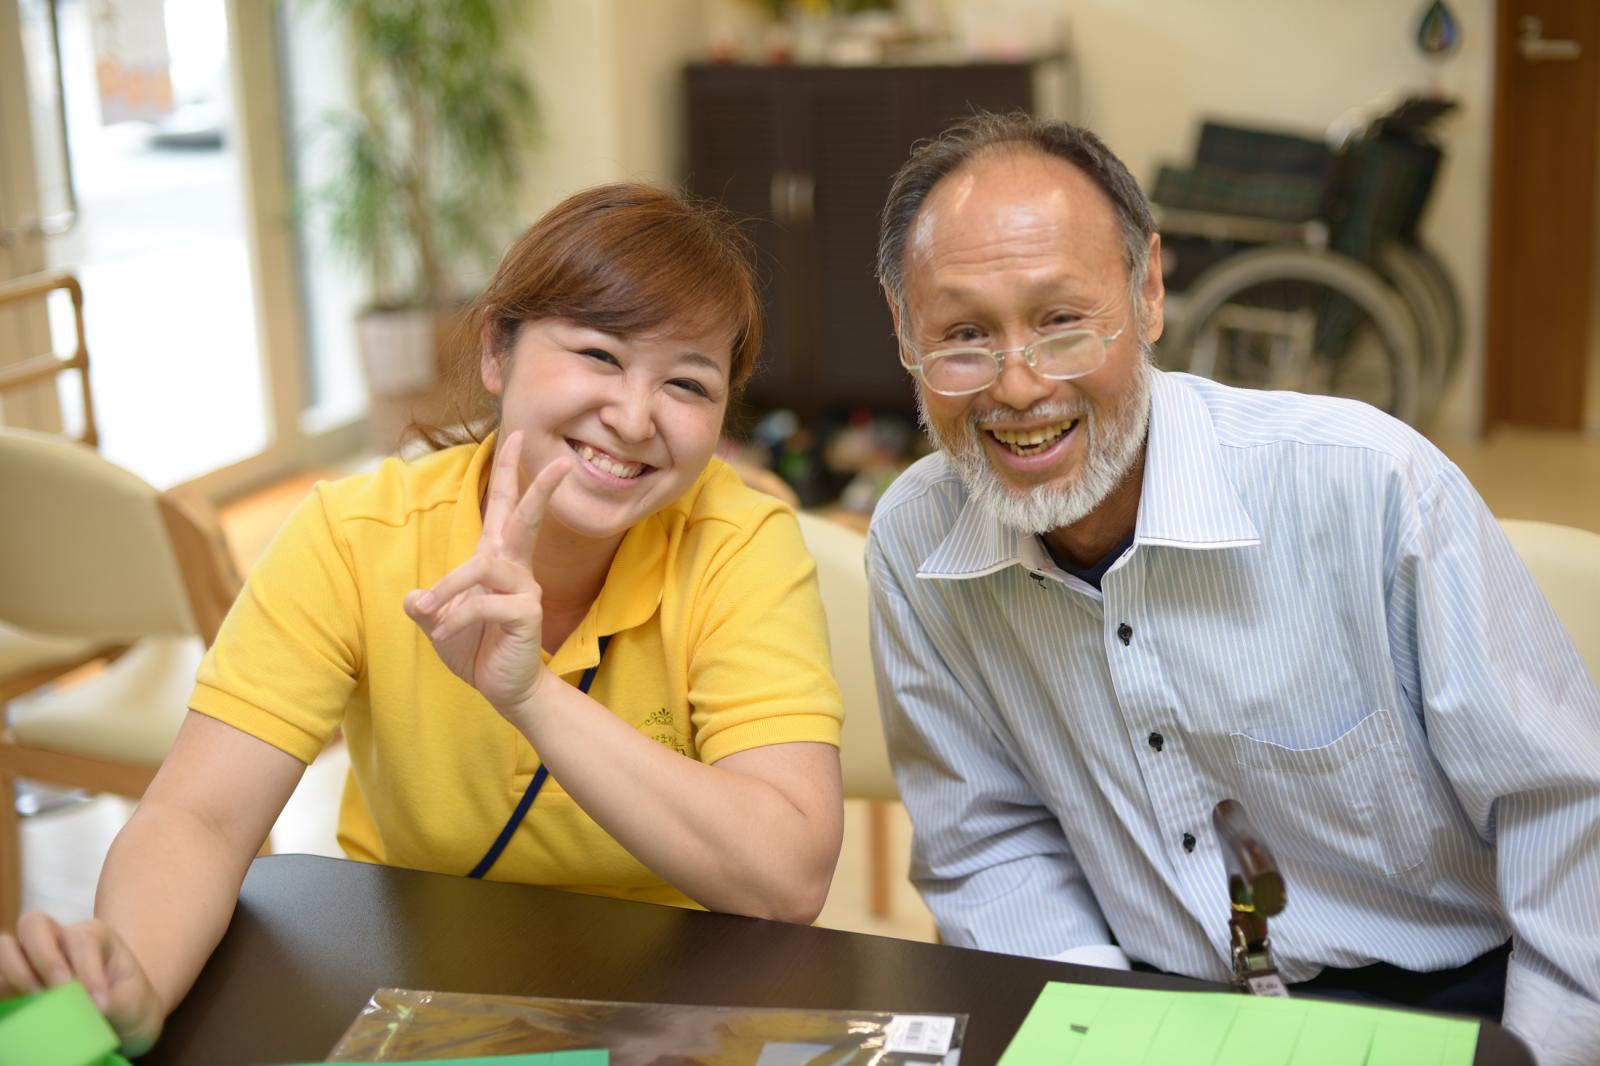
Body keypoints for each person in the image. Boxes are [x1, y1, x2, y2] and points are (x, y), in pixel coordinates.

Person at [0, 183, 845, 1054]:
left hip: (679, 1011)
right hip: (409, 999)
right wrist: (131, 981)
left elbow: (786, 877)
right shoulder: (353, 535)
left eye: (686, 383)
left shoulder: (741, 543)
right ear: (496, 352)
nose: (633, 418)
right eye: (597, 354)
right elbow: (201, 818)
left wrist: (532, 697)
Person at [866, 112, 1600, 1065]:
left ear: (1150, 291)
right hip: (1146, 1009)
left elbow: (1565, 819)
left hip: (1442, 1007)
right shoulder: (914, 544)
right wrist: (1104, 1046)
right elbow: (990, 846)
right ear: (904, 337)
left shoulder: (1366, 489)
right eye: (964, 335)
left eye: (1061, 322)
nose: (1017, 386)